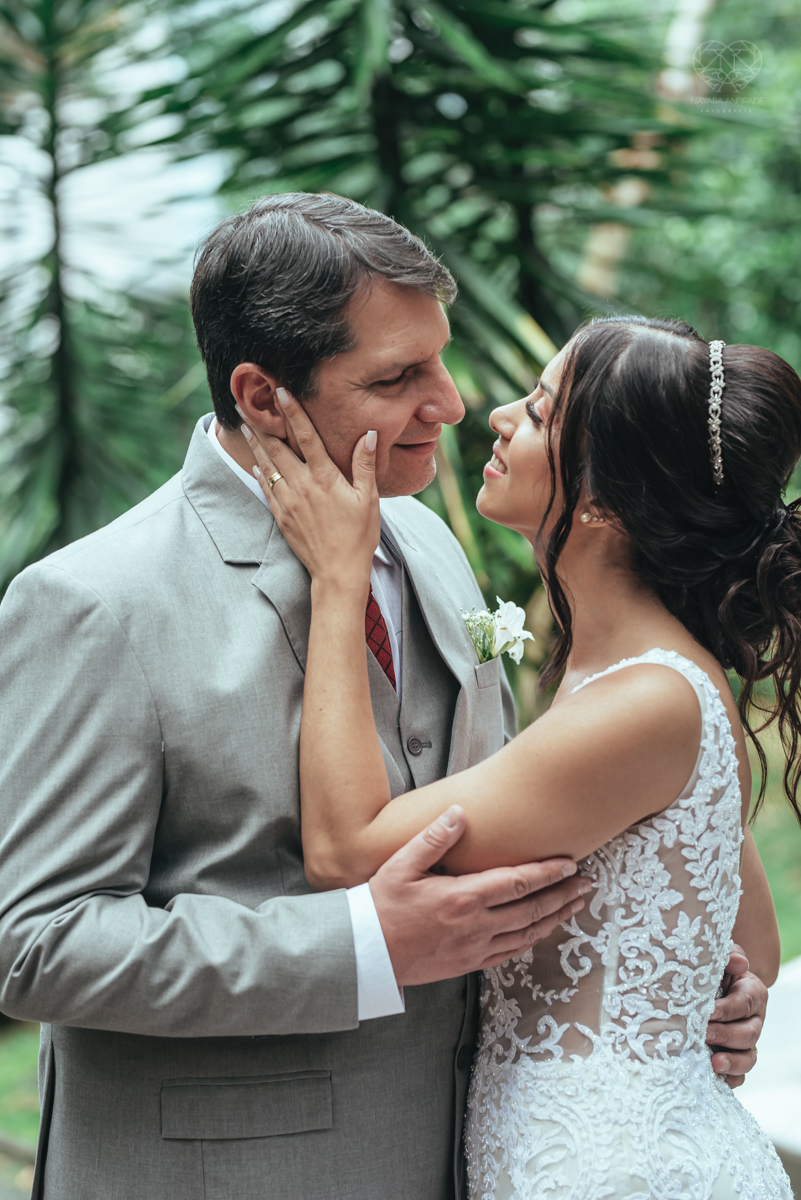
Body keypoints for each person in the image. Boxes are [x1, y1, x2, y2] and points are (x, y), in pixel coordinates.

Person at [0, 194, 763, 1200]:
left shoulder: (434, 546)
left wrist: (670, 982)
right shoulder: (99, 603)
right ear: (263, 396)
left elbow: (533, 832)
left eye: (439, 359)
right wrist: (360, 944)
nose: (448, 404)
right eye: (398, 377)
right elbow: (38, 943)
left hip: (499, 1159)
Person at [242, 313, 798, 1199]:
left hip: (611, 1171)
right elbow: (750, 940)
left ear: (606, 499)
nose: (495, 414)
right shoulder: (634, 672)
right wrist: (719, 991)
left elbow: (347, 849)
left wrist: (339, 582)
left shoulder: (647, 699)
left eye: (539, 412)